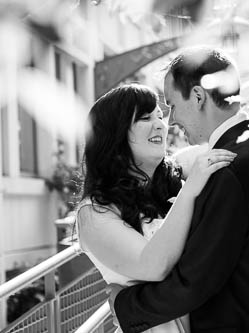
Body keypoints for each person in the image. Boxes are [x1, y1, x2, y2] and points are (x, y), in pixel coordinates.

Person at [112, 46, 249, 333]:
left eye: (172, 105)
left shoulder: (227, 168)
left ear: (198, 96)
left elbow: (196, 279)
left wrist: (126, 306)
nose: (170, 120)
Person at [75, 83, 237, 333]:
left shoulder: (177, 171)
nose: (161, 124)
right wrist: (189, 191)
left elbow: (231, 142)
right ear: (114, 133)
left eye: (160, 116)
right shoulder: (94, 213)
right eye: (145, 117)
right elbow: (154, 265)